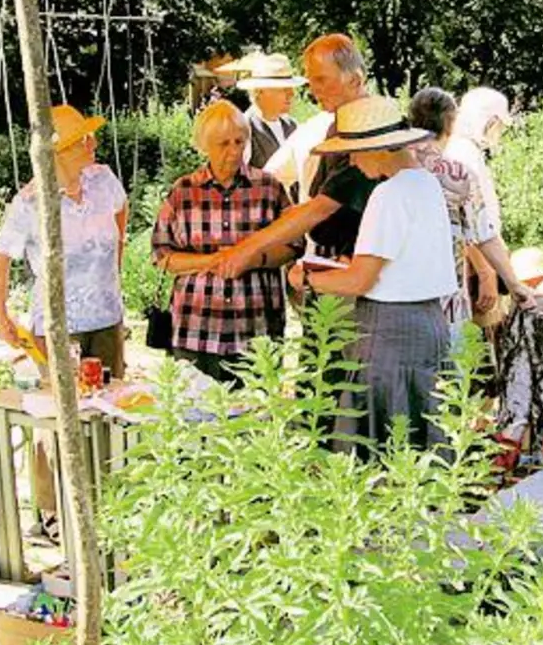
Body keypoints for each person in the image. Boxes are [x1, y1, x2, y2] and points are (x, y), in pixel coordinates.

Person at [285, 96, 458, 453]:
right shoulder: (427, 184)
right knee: (422, 442)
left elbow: (359, 280)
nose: (351, 162)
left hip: (387, 332)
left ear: (376, 149)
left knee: (377, 446)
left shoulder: (388, 194)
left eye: (354, 153)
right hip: (430, 323)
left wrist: (308, 279)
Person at [0, 104, 128, 542]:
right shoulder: (32, 202)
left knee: (107, 407)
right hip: (57, 324)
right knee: (58, 413)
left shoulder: (104, 181)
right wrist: (0, 312)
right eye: (83, 140)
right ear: (60, 152)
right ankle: (52, 512)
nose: (93, 143)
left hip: (106, 316)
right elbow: (2, 258)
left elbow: (121, 216)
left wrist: (114, 268)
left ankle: (105, 502)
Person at [151, 101, 301, 387]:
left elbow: (294, 244)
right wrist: (214, 261)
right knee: (196, 411)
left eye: (239, 142)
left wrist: (253, 259)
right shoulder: (184, 192)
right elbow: (162, 255)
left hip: (257, 328)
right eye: (223, 144)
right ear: (204, 146)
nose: (234, 151)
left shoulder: (268, 188)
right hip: (196, 329)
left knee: (256, 411)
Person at [213, 33, 377, 276]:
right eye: (311, 80)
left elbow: (324, 206)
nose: (312, 90)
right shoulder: (334, 124)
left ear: (354, 80)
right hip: (333, 258)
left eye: (321, 79)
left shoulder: (367, 129)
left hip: (361, 266)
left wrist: (248, 248)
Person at [406, 88, 535, 330]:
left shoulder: (386, 166)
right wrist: (513, 285)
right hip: (442, 299)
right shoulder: (457, 174)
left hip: (392, 297)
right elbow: (483, 233)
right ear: (449, 123)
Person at [444, 87, 521, 329]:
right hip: (474, 264)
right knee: (482, 335)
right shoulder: (462, 154)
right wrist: (486, 274)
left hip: (481, 258)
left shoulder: (464, 149)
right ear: (489, 121)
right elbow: (466, 220)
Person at [237, 54, 306, 171]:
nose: (291, 94)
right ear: (259, 92)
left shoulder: (292, 125)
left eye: (291, 88)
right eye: (283, 89)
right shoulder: (243, 129)